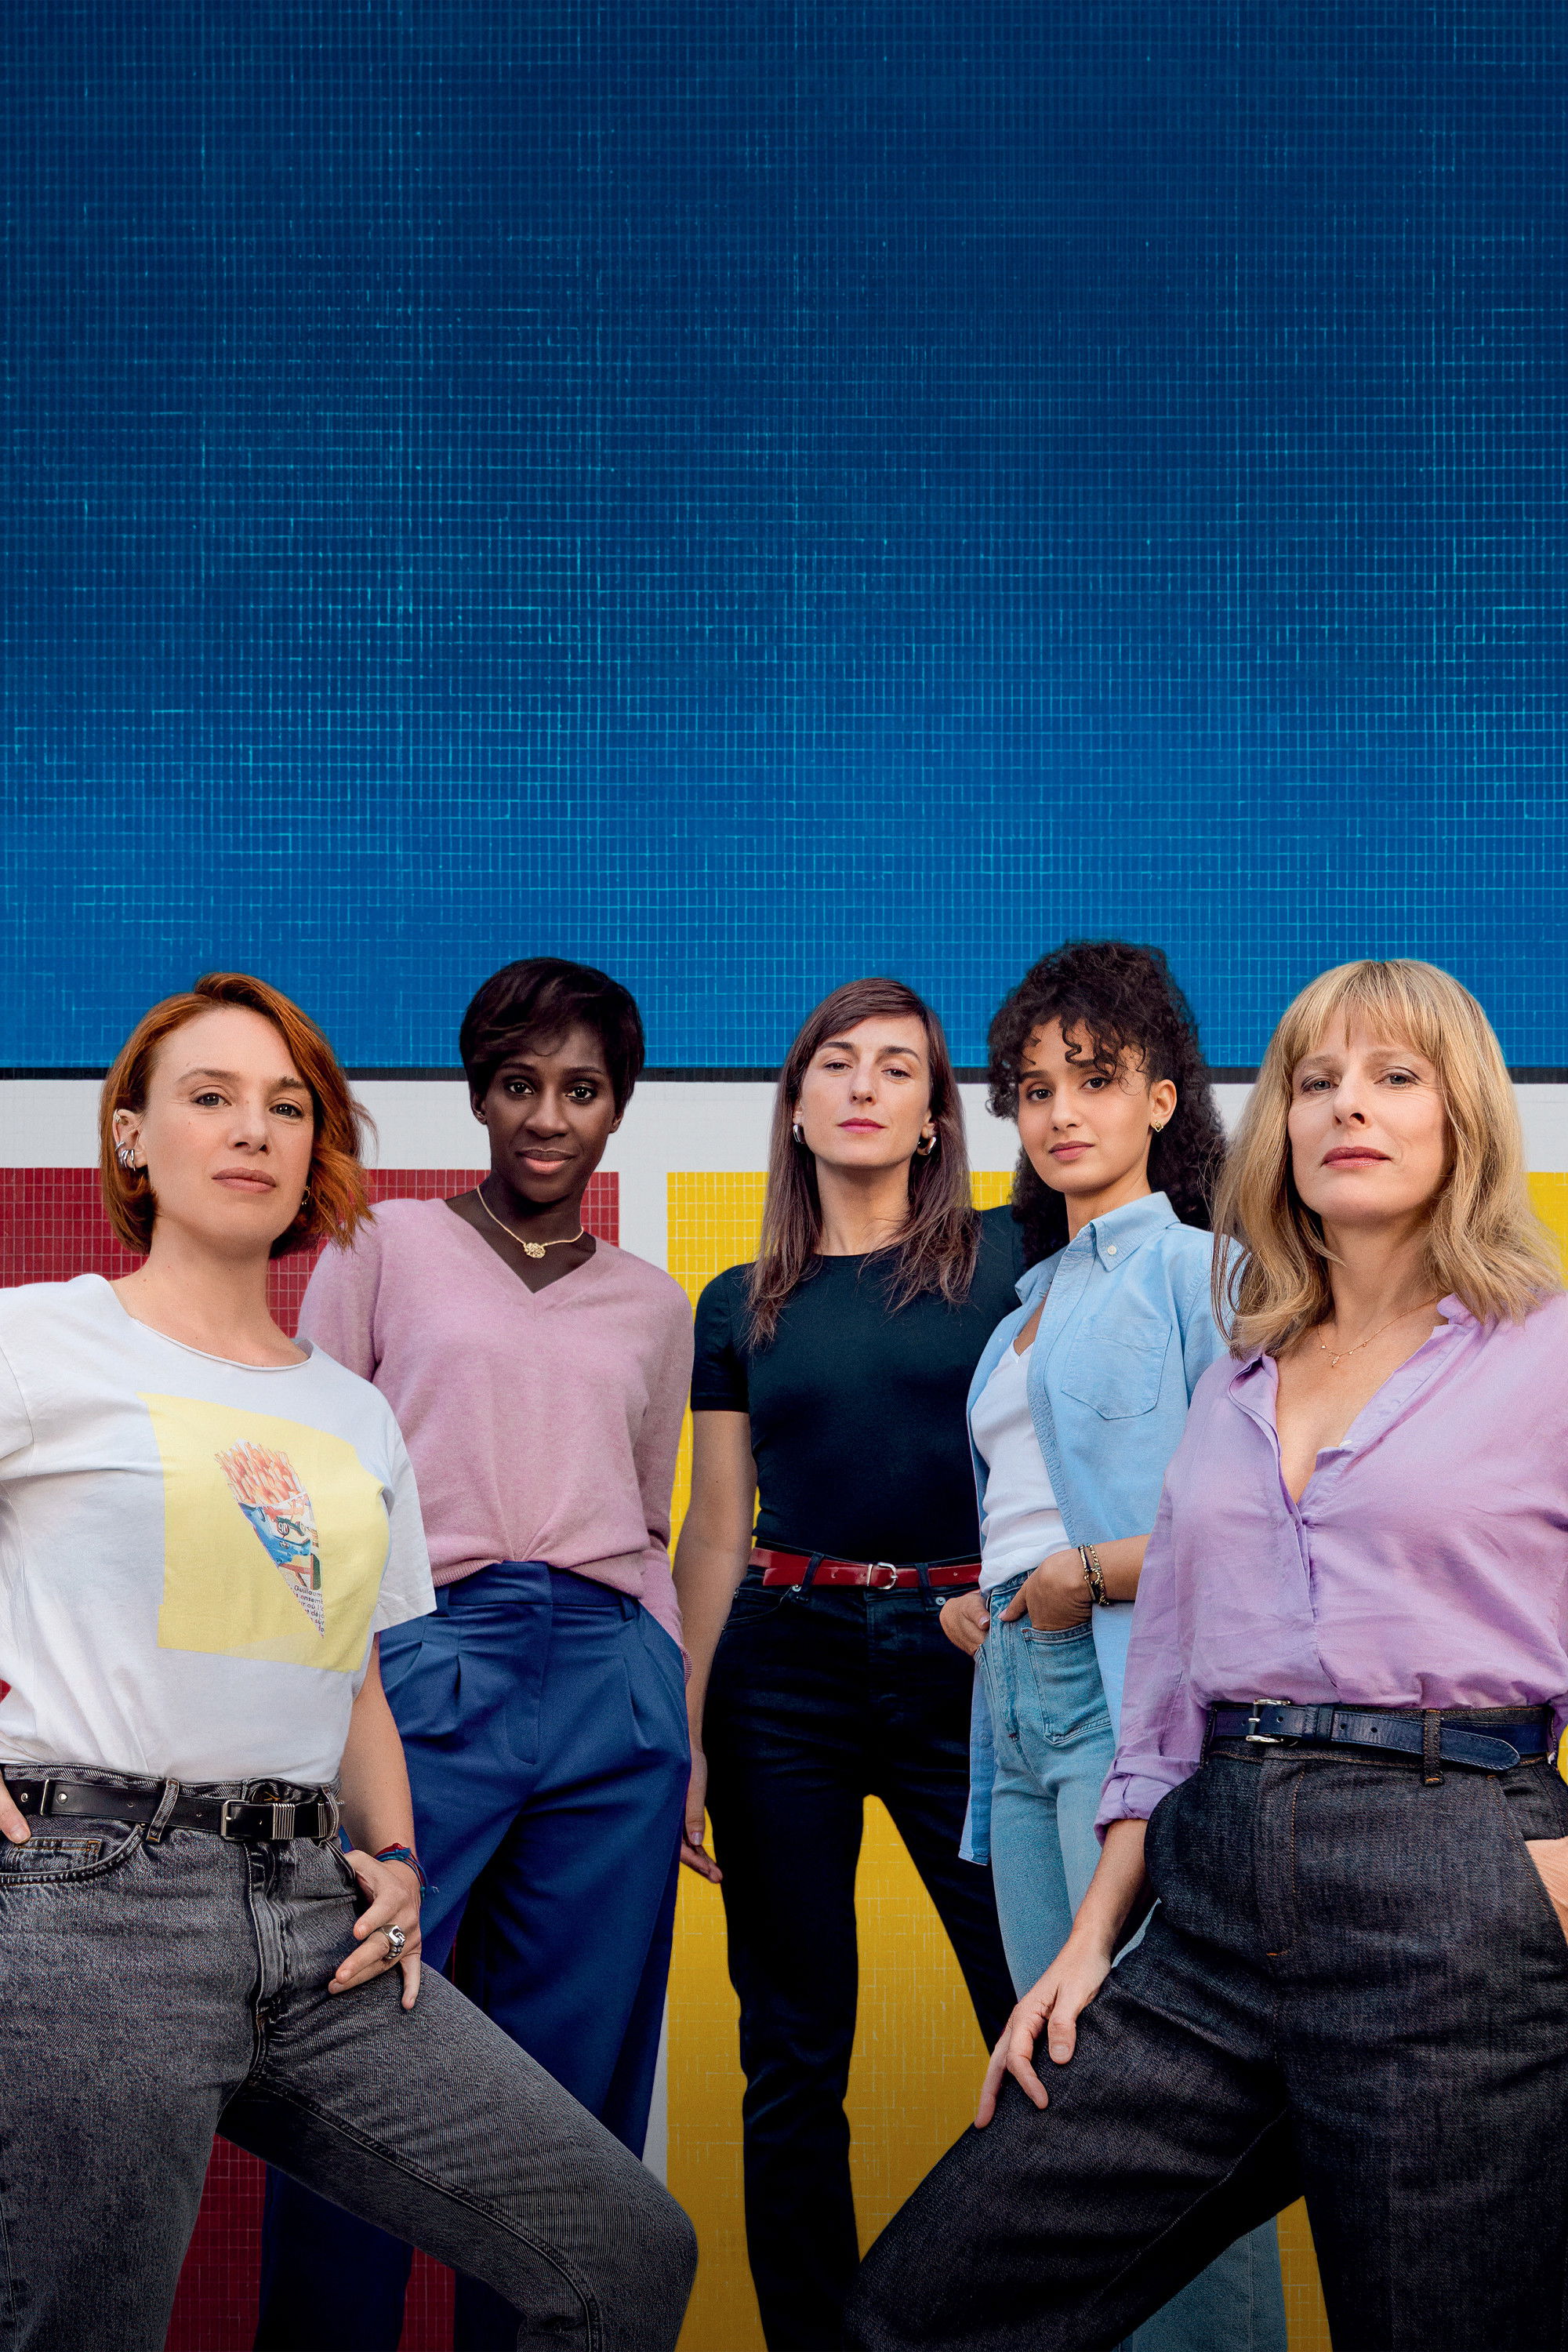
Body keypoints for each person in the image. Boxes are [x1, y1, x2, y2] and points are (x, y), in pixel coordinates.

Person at [846, 956, 1568, 2352]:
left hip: (1457, 1879)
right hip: (1213, 1891)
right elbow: (1168, 1695)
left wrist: (1540, 1872)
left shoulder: (1544, 1354)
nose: (1347, 1107)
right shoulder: (1244, 1373)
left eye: (1394, 1077)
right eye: (1316, 1081)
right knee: (916, 2308)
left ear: (1465, 1115)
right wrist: (1091, 1944)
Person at [0, 971, 695, 2352]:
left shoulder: (350, 1414)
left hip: (322, 1906)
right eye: (211, 1097)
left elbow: (354, 1665)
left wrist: (398, 1856)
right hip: (100, 1898)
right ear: (130, 1133)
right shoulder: (38, 1336)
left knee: (624, 2250)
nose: (251, 1130)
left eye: (287, 1107)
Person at [256, 956, 694, 2352]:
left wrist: (677, 1729)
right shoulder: (382, 1246)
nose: (548, 1117)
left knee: (569, 2094)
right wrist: (318, 1709)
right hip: (430, 1656)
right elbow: (314, 1491)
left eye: (581, 1090)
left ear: (617, 1108)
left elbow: (648, 1524)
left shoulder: (657, 1305)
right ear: (479, 1099)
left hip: (616, 1687)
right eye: (519, 1085)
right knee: (359, 2044)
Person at [938, 941, 1283, 2352]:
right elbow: (1031, 1504)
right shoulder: (1026, 1307)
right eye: (1035, 1090)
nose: (1061, 1112)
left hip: (1127, 1691)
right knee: (1068, 2079)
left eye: (1095, 1080)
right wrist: (987, 1595)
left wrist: (1085, 1575)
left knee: (1160, 2098)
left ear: (1161, 1097)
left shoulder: (1209, 1269)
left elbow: (1263, 1517)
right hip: (1014, 1693)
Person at [675, 976, 1021, 2352]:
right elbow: (716, 1529)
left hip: (970, 1661)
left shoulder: (1015, 1256)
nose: (865, 1086)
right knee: (791, 2054)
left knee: (1034, 2019)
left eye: (898, 1067)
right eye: (837, 1062)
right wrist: (688, 1732)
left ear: (936, 1118)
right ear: (797, 1104)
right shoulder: (737, 1302)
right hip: (783, 1672)